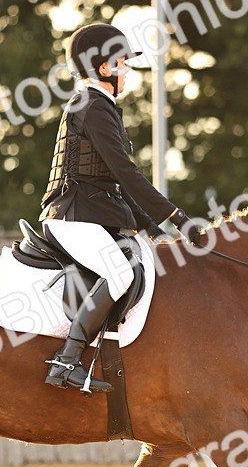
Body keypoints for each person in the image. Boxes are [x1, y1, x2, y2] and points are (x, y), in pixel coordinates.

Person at [39, 22, 206, 393]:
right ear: (104, 68)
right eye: (122, 63)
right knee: (120, 275)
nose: (128, 70)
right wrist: (176, 218)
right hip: (73, 216)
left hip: (90, 215)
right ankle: (67, 360)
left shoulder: (100, 106)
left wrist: (152, 228)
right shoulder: (91, 106)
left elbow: (116, 182)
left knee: (137, 263)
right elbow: (126, 173)